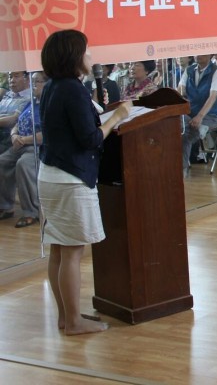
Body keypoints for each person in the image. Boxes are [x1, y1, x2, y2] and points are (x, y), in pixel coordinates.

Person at [37, 29, 132, 335]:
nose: (91, 56)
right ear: (74, 56)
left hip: (51, 175)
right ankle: (74, 322)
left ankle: (66, 317)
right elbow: (90, 139)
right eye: (86, 51)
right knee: (72, 252)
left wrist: (95, 106)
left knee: (59, 249)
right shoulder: (71, 90)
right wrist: (117, 116)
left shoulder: (54, 87)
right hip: (71, 178)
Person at [0, 72, 45, 227]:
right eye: (32, 82)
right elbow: (17, 123)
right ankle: (5, 206)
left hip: (37, 146)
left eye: (37, 82)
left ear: (47, 84)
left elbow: (48, 134)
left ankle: (31, 212)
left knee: (23, 164)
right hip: (19, 143)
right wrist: (14, 135)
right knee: (2, 162)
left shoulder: (49, 105)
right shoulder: (31, 103)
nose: (33, 85)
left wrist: (24, 140)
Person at [178, 54, 217, 177]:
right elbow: (181, 88)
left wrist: (200, 116)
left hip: (209, 115)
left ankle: (181, 169)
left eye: (201, 52)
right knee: (175, 128)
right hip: (189, 113)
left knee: (186, 134)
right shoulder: (189, 70)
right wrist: (180, 92)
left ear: (210, 55)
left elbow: (213, 96)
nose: (198, 55)